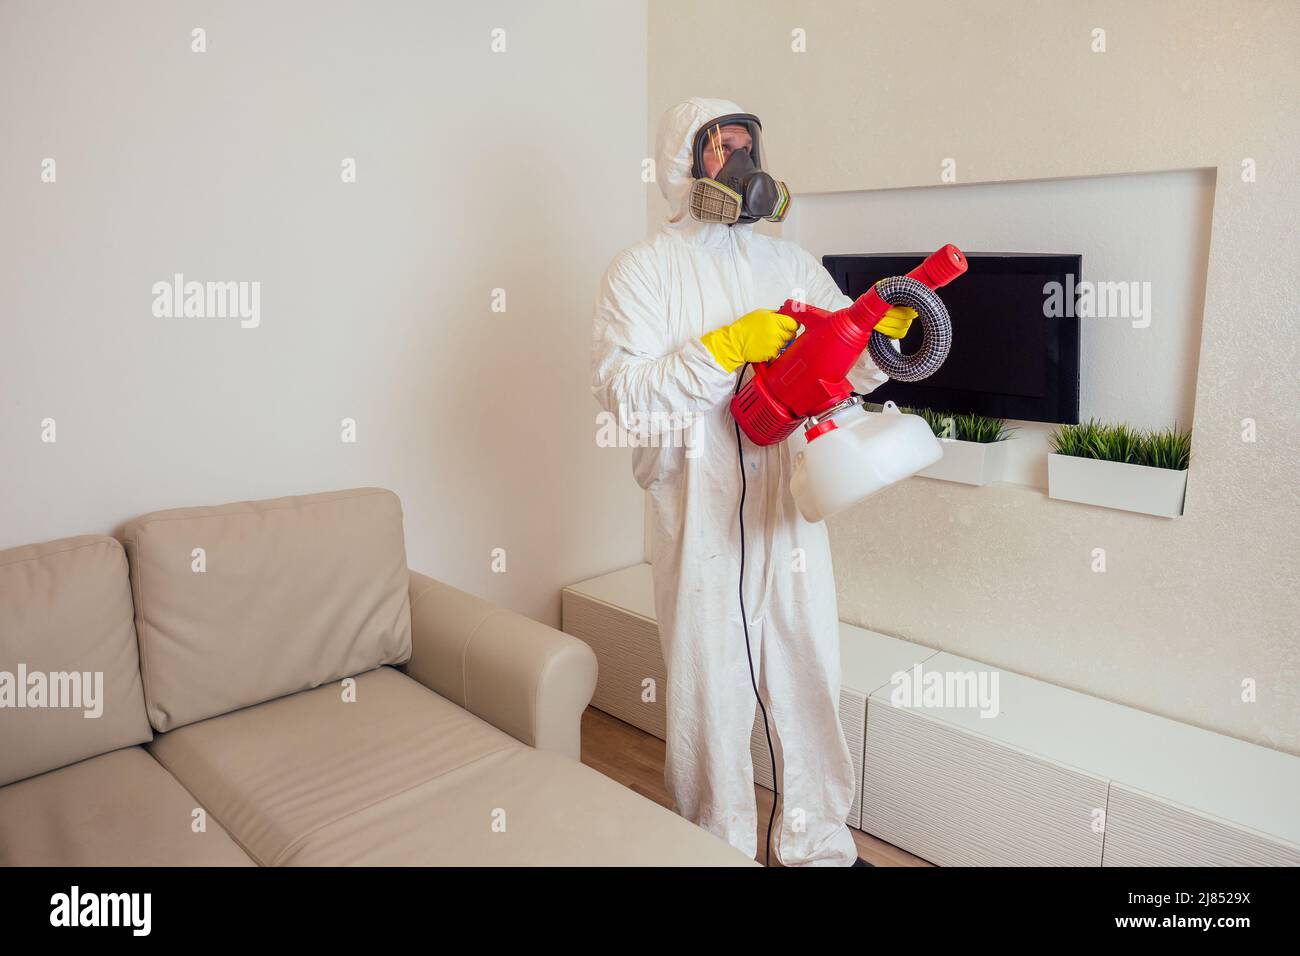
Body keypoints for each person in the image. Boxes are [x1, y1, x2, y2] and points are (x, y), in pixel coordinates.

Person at [590, 98, 914, 866]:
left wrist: (877, 343)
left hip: (789, 503)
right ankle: (716, 848)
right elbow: (624, 397)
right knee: (712, 694)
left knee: (809, 678)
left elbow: (842, 381)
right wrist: (722, 348)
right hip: (699, 508)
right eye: (720, 148)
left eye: (746, 146)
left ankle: (819, 848)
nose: (739, 162)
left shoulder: (789, 265)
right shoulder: (642, 271)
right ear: (684, 162)